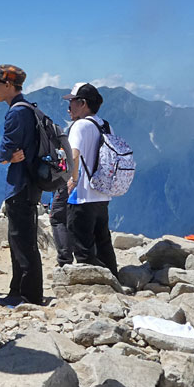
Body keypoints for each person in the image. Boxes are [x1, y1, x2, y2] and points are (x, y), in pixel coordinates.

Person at [0, 64, 43, 307]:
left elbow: (4, 151)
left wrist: (5, 156)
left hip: (20, 184)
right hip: (29, 183)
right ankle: (17, 290)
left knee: (21, 241)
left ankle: (27, 296)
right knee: (22, 239)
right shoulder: (28, 108)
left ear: (8, 85)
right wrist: (9, 156)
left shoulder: (16, 113)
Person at [64, 82, 119, 276]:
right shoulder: (105, 125)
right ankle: (114, 280)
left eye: (71, 102)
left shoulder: (80, 126)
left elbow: (74, 154)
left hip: (82, 196)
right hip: (102, 194)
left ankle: (94, 287)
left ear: (83, 103)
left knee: (83, 247)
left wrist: (72, 178)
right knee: (103, 243)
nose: (68, 107)